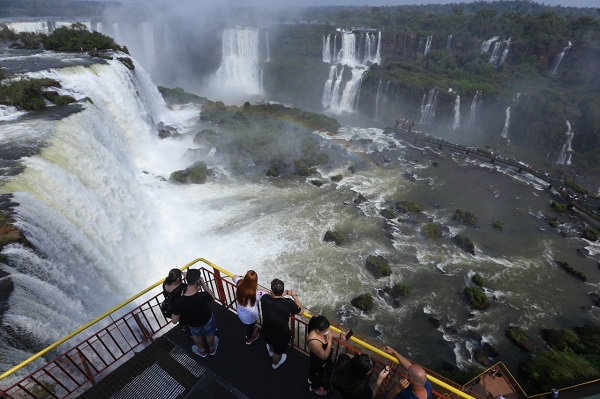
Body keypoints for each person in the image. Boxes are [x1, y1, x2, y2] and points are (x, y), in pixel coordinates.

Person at [171, 268, 219, 357]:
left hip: (192, 323)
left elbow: (174, 321)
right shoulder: (202, 296)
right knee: (209, 334)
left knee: (196, 335)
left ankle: (202, 351)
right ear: (198, 281)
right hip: (206, 319)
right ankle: (212, 349)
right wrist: (204, 284)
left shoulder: (179, 301)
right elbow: (212, 297)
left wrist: (181, 301)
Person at [260, 278, 303, 369]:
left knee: (270, 342)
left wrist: (284, 293)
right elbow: (301, 312)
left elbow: (270, 295)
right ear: (282, 290)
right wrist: (294, 296)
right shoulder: (288, 303)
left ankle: (271, 351)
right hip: (281, 336)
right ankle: (275, 364)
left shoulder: (264, 299)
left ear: (271, 290)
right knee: (278, 352)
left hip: (266, 330)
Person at [233, 270, 266, 345]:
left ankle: (252, 329)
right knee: (249, 328)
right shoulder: (256, 293)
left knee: (249, 326)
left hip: (240, 312)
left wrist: (242, 279)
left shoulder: (240, 284)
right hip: (250, 317)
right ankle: (249, 339)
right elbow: (267, 294)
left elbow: (234, 277)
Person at [306, 315, 335, 395]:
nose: (329, 331)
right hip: (318, 362)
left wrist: (341, 336)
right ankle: (314, 387)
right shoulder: (313, 341)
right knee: (318, 375)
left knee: (315, 371)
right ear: (318, 331)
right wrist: (329, 343)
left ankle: (311, 378)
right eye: (326, 330)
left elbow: (330, 332)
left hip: (321, 362)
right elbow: (324, 356)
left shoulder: (322, 330)